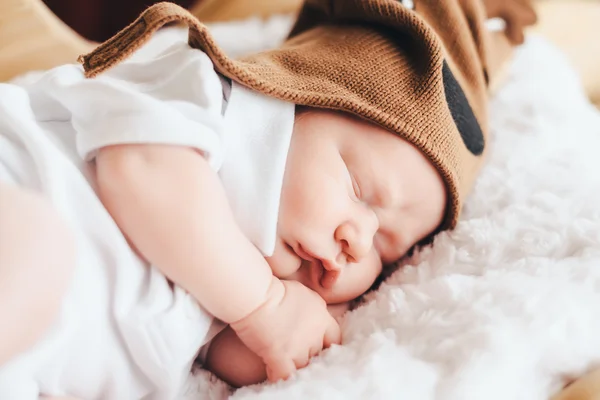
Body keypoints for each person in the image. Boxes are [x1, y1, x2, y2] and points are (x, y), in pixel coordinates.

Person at [0, 0, 536, 398]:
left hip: (30, 357)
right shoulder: (204, 95)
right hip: (18, 201)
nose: (358, 238)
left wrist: (303, 329)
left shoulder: (238, 288)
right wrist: (265, 306)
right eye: (358, 188)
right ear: (292, 100)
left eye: (386, 249)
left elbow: (235, 354)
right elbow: (141, 172)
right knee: (34, 247)